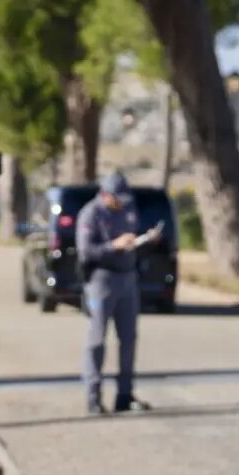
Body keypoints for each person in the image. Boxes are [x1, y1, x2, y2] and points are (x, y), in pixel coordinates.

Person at [77, 171, 161, 414]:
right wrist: (113, 245)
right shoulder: (91, 214)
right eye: (118, 197)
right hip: (101, 279)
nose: (122, 202)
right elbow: (86, 251)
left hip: (127, 278)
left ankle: (125, 394)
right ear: (105, 194)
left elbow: (133, 239)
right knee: (97, 340)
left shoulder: (128, 209)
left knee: (129, 339)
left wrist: (146, 240)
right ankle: (93, 397)